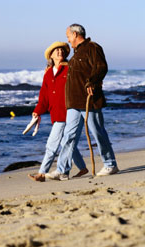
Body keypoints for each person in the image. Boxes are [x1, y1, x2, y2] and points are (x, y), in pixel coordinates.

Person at [46, 24, 119, 180]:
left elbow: (101, 67)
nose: (68, 40)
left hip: (89, 100)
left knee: (98, 133)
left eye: (68, 37)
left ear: (74, 34)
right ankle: (62, 170)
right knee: (68, 136)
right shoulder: (75, 54)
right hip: (73, 102)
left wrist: (92, 82)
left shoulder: (93, 48)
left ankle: (110, 164)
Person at [28, 41, 88, 182]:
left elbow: (82, 82)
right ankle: (82, 168)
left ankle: (42, 174)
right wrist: (37, 111)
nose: (60, 52)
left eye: (62, 50)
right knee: (66, 143)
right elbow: (44, 95)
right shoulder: (48, 74)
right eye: (57, 51)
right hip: (57, 113)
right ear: (51, 55)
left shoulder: (70, 68)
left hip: (72, 111)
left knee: (52, 144)